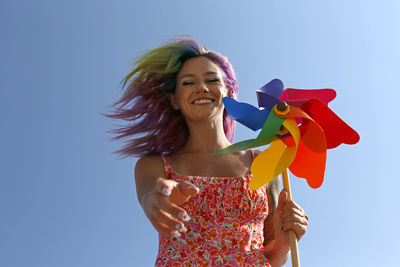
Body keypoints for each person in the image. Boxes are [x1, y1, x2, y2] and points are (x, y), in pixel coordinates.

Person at [108, 36, 309, 267]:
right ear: (174, 99)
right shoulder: (155, 165)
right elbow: (149, 197)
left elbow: (271, 257)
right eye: (188, 82)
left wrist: (284, 243)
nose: (202, 87)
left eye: (212, 79)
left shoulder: (265, 162)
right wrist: (155, 200)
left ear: (230, 93)